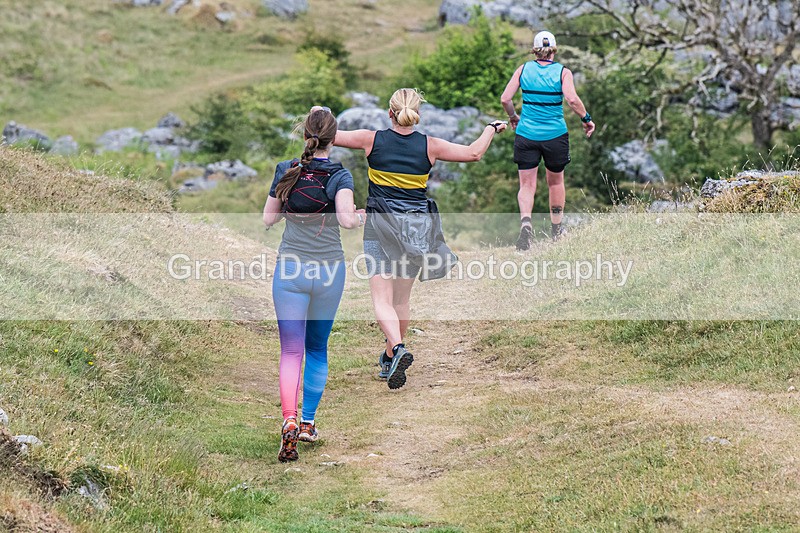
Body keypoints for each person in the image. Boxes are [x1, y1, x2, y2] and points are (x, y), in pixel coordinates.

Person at [326, 88, 507, 390]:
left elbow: (328, 136)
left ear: (390, 113)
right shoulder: (430, 146)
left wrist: (319, 115)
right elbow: (474, 153)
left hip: (380, 226)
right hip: (415, 231)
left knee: (382, 300)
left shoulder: (371, 140)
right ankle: (389, 357)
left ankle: (396, 349)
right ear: (417, 114)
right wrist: (491, 128)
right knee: (401, 300)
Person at [263, 109, 366, 463]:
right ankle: (307, 424)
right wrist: (361, 216)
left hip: (290, 270)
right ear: (334, 138)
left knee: (291, 351)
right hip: (328, 272)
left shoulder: (286, 170)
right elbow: (346, 221)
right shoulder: (340, 175)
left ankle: (288, 420)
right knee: (317, 348)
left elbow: (267, 219)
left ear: (303, 134)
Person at [501, 30, 596, 249]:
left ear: (534, 50)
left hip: (526, 134)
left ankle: (526, 225)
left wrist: (513, 116)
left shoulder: (523, 69)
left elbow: (505, 98)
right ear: (553, 50)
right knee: (555, 181)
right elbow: (572, 99)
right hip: (555, 136)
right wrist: (586, 119)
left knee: (526, 184)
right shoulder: (563, 72)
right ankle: (556, 230)